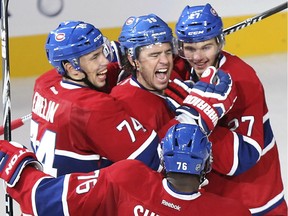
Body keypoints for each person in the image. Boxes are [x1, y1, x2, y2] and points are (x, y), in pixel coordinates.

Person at [172, 3, 287, 215]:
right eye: (190, 48)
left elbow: (246, 155)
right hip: (212, 199)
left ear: (219, 42)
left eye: (205, 47)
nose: (197, 57)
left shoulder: (242, 78)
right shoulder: (181, 66)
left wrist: (197, 121)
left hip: (256, 200)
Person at [0, 123, 251, 215]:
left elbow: (45, 198)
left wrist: (11, 158)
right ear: (207, 164)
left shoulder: (128, 179)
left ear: (163, 159)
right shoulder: (232, 211)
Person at [30, 20, 163, 177]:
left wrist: (126, 53)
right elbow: (154, 161)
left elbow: (100, 71)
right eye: (95, 57)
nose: (105, 61)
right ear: (71, 68)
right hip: (88, 199)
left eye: (102, 52)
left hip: (51, 191)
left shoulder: (43, 84)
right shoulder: (94, 109)